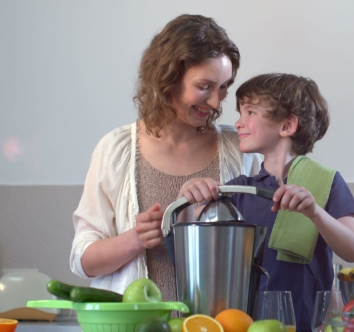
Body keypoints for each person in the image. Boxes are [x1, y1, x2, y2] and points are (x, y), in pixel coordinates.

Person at [69, 14, 262, 301]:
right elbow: (82, 260)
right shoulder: (115, 149)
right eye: (204, 86)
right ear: (168, 78)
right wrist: (134, 239)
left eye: (223, 87)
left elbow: (264, 248)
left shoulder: (240, 149)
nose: (215, 102)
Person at [178, 73, 354, 331]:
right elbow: (193, 245)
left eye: (250, 112)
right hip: (243, 324)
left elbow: (352, 250)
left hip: (307, 323)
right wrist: (188, 197)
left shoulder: (326, 182)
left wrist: (315, 213)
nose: (239, 123)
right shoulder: (239, 189)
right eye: (240, 113)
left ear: (287, 126)